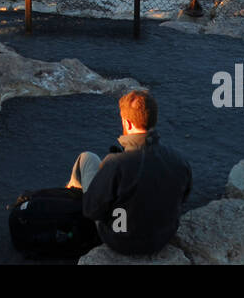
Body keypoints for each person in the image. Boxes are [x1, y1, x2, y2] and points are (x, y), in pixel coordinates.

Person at [65, 90, 192, 256]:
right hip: (163, 237)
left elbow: (92, 211)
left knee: (87, 158)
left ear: (128, 123)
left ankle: (67, 208)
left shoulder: (116, 163)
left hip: (122, 240)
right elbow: (183, 198)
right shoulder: (179, 160)